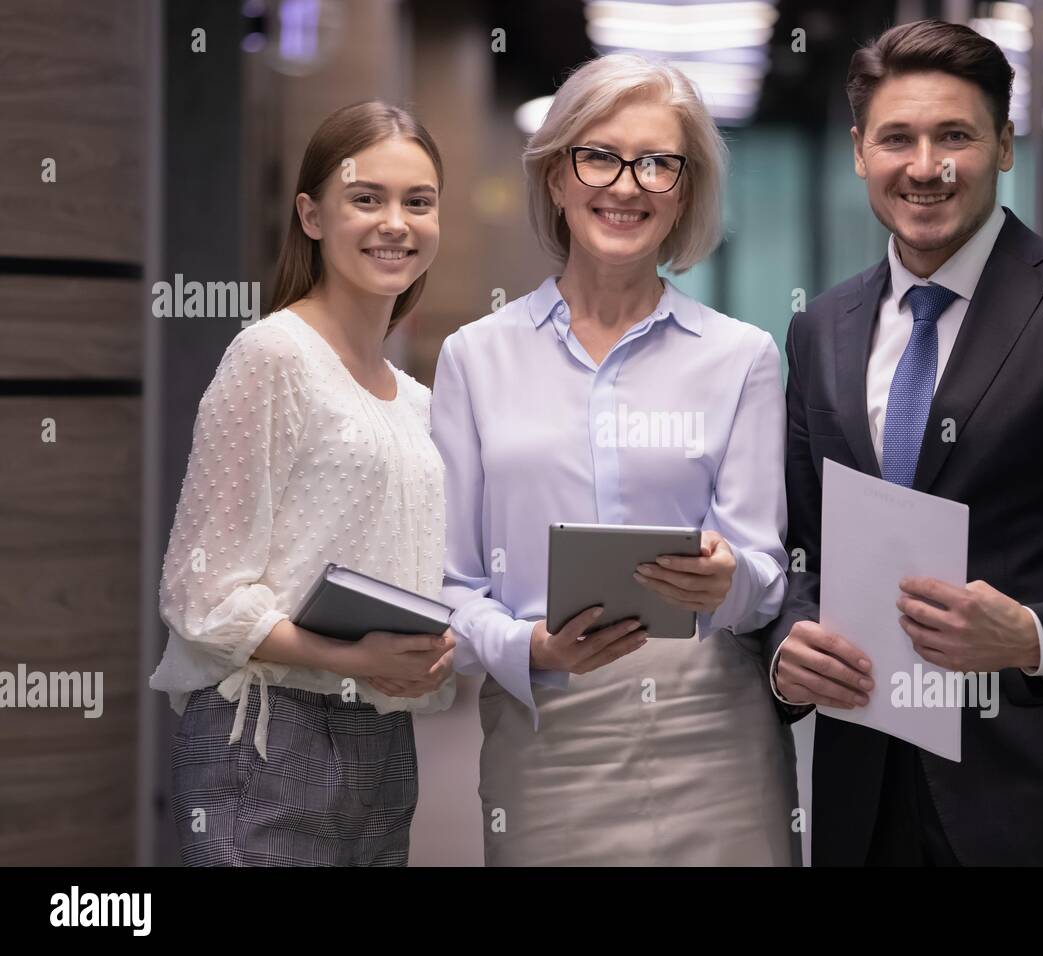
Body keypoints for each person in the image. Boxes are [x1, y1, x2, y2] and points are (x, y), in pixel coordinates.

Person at [762, 19, 1043, 865]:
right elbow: (799, 545)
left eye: (956, 136)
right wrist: (790, 643)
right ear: (862, 152)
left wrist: (1036, 636)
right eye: (897, 137)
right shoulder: (820, 328)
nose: (925, 164)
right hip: (861, 789)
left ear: (1005, 145)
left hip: (1034, 797)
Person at [431, 53, 798, 865]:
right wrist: (527, 648)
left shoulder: (742, 357)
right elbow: (449, 585)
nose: (627, 185)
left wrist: (727, 577)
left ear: (685, 193)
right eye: (599, 155)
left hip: (712, 732)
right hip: (545, 732)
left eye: (659, 163)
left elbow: (765, 572)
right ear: (557, 177)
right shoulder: (473, 358)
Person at [151, 101, 456, 866]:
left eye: (417, 202)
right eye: (367, 198)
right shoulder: (272, 356)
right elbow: (202, 594)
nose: (396, 222)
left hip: (380, 743)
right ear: (312, 215)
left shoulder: (416, 402)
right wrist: (358, 658)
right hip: (262, 733)